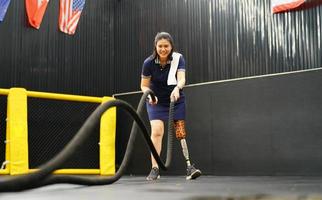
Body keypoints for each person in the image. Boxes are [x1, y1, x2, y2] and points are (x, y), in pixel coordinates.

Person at [140, 32, 202, 181]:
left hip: (175, 99)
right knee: (156, 131)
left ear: (171, 46)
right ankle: (155, 168)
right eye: (160, 46)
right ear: (155, 46)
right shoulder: (148, 63)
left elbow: (182, 79)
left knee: (180, 131)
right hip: (156, 101)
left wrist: (177, 88)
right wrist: (149, 95)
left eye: (166, 46)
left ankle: (189, 166)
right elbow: (143, 85)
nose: (163, 49)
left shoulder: (178, 58)